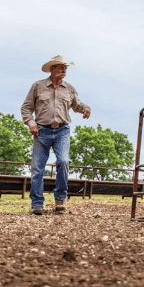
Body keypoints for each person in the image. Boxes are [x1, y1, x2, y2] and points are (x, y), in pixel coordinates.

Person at [21, 55, 91, 215]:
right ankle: (37, 203)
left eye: (65, 67)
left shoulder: (70, 89)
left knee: (63, 161)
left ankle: (60, 199)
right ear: (52, 69)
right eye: (60, 67)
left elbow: (77, 105)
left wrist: (85, 108)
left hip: (62, 131)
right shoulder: (38, 86)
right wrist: (31, 124)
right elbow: (26, 108)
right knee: (37, 168)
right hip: (41, 130)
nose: (64, 69)